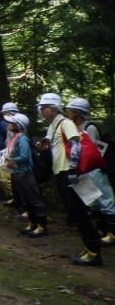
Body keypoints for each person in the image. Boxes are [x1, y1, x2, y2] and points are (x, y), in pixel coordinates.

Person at [36, 93, 103, 266]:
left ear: (51, 109)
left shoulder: (65, 123)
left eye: (43, 108)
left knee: (79, 213)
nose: (41, 111)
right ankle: (90, 248)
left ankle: (94, 252)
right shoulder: (54, 125)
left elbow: (76, 144)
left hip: (69, 174)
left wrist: (73, 169)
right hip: (61, 173)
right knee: (75, 213)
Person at [65, 97, 115, 247]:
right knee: (93, 202)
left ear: (78, 112)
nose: (68, 112)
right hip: (83, 171)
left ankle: (112, 233)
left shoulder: (90, 127)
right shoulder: (73, 127)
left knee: (106, 200)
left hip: (95, 170)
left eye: (71, 110)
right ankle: (101, 230)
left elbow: (90, 151)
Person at [4, 113, 48, 237]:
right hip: (18, 173)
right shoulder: (15, 137)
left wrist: (12, 160)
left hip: (25, 173)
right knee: (26, 200)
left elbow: (24, 156)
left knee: (34, 200)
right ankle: (32, 224)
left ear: (17, 125)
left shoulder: (22, 138)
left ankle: (42, 227)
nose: (8, 124)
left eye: (11, 122)